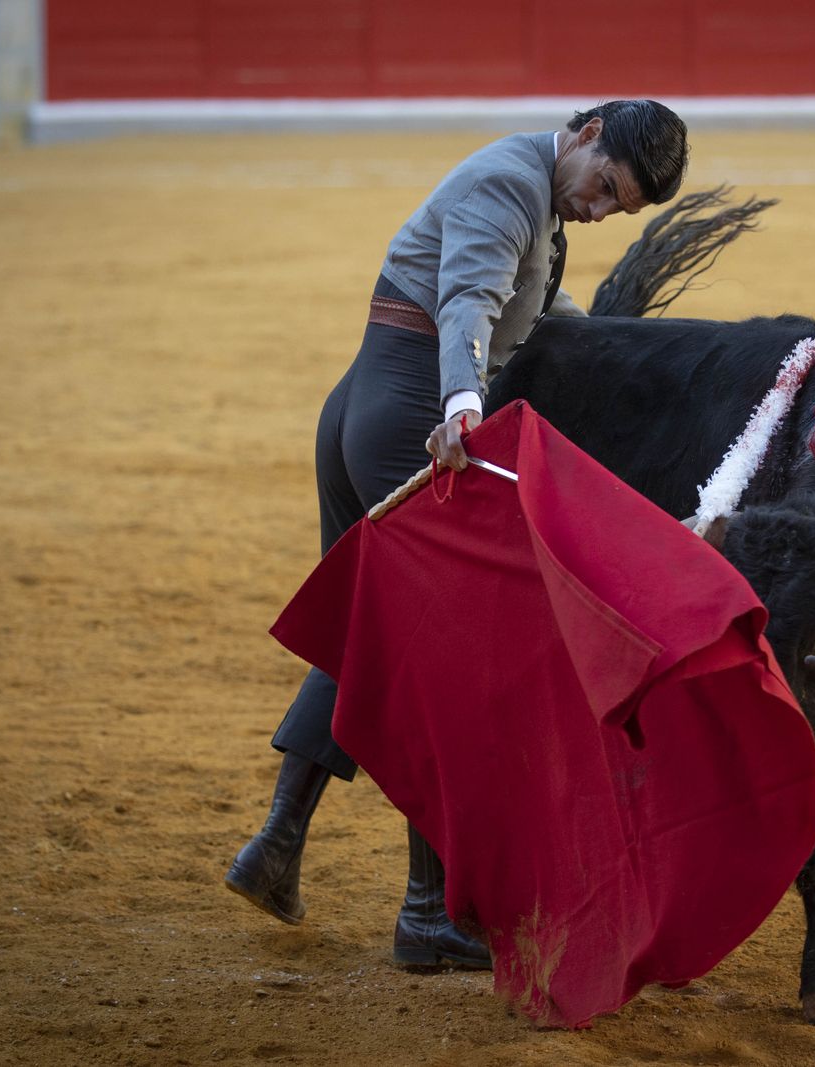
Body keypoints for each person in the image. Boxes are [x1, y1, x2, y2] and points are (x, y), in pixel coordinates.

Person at [224, 100, 690, 970]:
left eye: (615, 208)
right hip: (412, 421)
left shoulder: (535, 193)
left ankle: (276, 848)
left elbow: (523, 309)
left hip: (363, 407)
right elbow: (468, 302)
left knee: (371, 636)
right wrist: (463, 404)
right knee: (458, 666)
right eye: (604, 189)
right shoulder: (510, 184)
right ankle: (426, 910)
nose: (597, 212)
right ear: (587, 133)